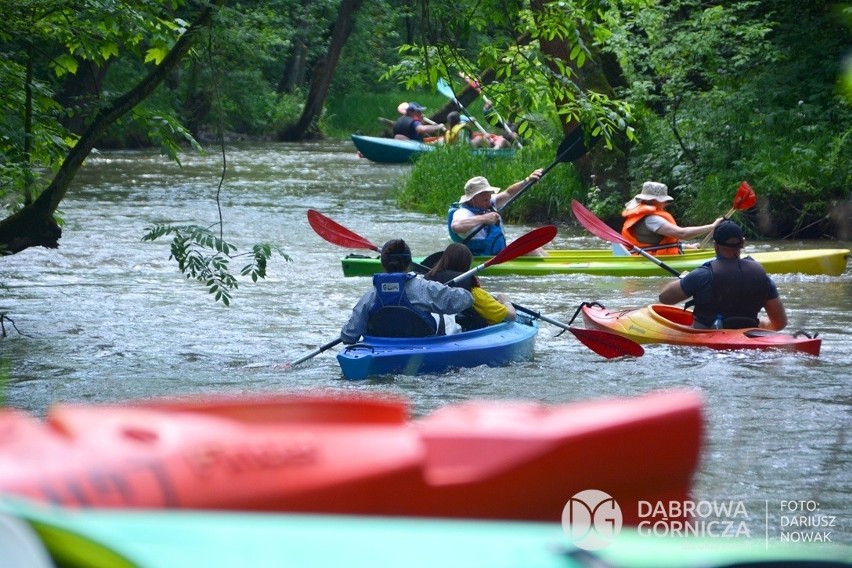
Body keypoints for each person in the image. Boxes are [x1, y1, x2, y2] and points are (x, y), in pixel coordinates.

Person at [658, 220, 788, 330]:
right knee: (763, 322)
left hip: (706, 343)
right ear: (743, 242)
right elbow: (780, 323)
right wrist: (760, 327)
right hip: (747, 339)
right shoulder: (761, 276)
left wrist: (687, 279)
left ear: (715, 246)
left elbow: (664, 298)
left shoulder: (703, 274)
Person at [340, 239, 473, 344]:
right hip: (422, 347)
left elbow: (348, 336)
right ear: (409, 263)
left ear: (383, 264)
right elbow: (464, 300)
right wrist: (469, 288)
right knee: (446, 319)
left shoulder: (371, 295)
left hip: (382, 350)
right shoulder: (423, 288)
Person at [447, 171, 546, 257]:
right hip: (483, 256)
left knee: (532, 243)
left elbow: (508, 193)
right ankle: (548, 269)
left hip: (496, 251)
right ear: (472, 198)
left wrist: (527, 181)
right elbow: (456, 226)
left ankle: (549, 262)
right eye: (486, 199)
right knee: (530, 247)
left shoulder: (485, 202)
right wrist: (484, 218)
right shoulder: (463, 212)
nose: (489, 202)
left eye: (490, 198)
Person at [424, 243, 516, 332]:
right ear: (468, 265)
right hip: (461, 336)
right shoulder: (473, 292)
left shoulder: (426, 283)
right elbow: (511, 316)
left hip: (429, 330)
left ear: (443, 259)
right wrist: (506, 302)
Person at [621, 181, 723, 255]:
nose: (665, 202)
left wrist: (687, 247)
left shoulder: (642, 216)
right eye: (662, 200)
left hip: (642, 256)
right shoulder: (652, 219)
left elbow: (654, 244)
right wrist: (712, 226)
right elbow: (682, 234)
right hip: (648, 260)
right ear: (652, 200)